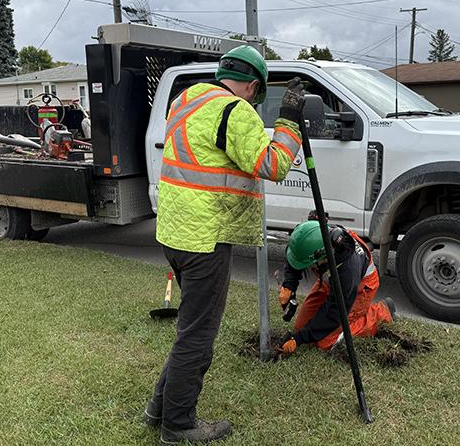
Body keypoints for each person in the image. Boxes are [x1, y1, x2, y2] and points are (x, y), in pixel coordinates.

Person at [145, 45, 305, 444]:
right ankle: (178, 425)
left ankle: (158, 408)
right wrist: (288, 124)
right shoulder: (236, 112)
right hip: (205, 237)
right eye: (257, 94)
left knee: (189, 327)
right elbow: (273, 165)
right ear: (252, 86)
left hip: (175, 232)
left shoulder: (188, 99)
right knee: (198, 335)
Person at [278, 220, 396, 355]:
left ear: (322, 257)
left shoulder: (348, 272)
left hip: (359, 289)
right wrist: (289, 286)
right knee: (301, 327)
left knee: (326, 340)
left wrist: (298, 340)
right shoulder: (320, 237)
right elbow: (296, 257)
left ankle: (382, 312)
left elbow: (335, 313)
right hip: (330, 281)